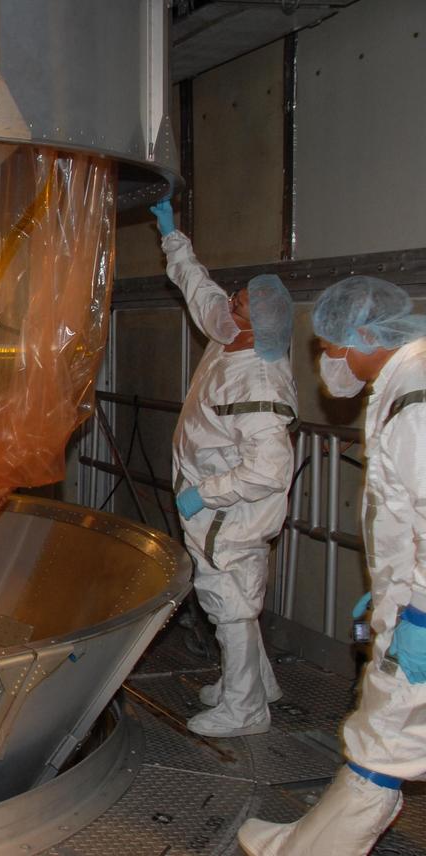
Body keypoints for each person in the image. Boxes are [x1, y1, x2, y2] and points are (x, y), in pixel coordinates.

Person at [239, 276, 426, 855]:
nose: (329, 358)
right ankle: (305, 839)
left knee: (383, 745)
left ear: (368, 335)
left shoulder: (416, 403)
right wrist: (395, 592)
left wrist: (418, 612)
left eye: (333, 345)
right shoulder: (406, 382)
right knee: (386, 737)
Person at [151, 199, 297, 738]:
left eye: (237, 305)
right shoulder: (232, 335)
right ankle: (256, 683)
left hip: (229, 510)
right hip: (213, 498)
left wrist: (206, 494)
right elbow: (202, 291)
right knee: (236, 600)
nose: (227, 304)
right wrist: (174, 239)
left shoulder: (258, 381)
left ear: (256, 327)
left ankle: (245, 710)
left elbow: (268, 469)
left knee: (227, 602)